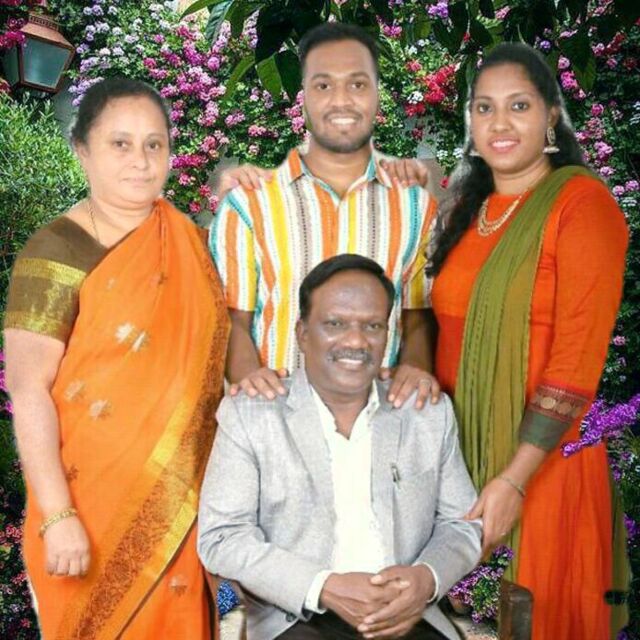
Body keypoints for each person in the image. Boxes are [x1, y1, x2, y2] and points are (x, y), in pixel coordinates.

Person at [3, 78, 229, 639]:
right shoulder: (55, 249)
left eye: (155, 144)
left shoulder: (192, 245)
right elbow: (28, 390)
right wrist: (58, 516)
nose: (141, 161)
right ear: (83, 150)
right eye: (120, 143)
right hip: (84, 510)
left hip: (181, 504)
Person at [427, 43, 628, 639]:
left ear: (551, 117)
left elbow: (576, 361)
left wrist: (514, 479)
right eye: (484, 107)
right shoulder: (468, 210)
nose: (500, 123)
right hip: (461, 460)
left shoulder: (580, 204)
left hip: (540, 470)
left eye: (519, 105)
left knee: (537, 622)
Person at [198, 254, 481, 640]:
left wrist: (426, 578)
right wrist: (323, 587)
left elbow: (462, 524)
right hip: (297, 619)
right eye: (335, 324)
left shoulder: (425, 412)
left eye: (372, 326)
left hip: (406, 617)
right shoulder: (252, 415)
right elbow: (222, 537)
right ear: (302, 333)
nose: (355, 341)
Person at [209, 23, 440, 411]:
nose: (341, 100)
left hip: (376, 422)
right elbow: (232, 320)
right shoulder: (249, 206)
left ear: (376, 94)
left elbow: (418, 317)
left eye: (357, 84)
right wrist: (255, 393)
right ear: (304, 96)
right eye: (323, 85)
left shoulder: (416, 208)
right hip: (275, 418)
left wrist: (414, 370)